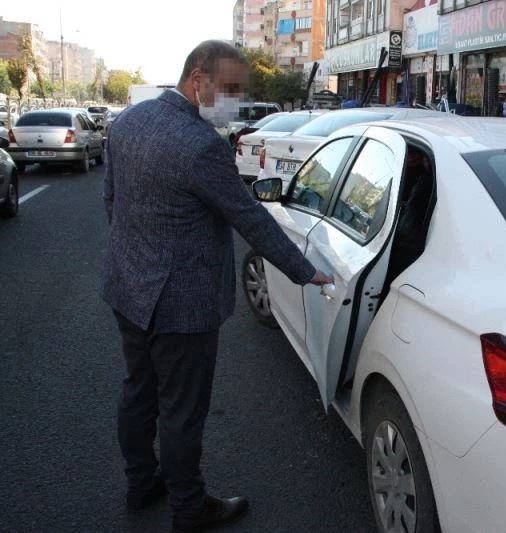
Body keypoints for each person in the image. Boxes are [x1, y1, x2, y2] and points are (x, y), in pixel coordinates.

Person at [100, 40, 333, 533]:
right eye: (226, 88)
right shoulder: (200, 144)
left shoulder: (129, 121)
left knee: (138, 391)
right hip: (182, 305)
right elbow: (248, 215)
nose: (231, 98)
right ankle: (189, 507)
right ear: (197, 77)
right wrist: (303, 269)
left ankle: (141, 482)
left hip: (127, 287)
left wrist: (135, 256)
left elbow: (113, 202)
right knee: (181, 410)